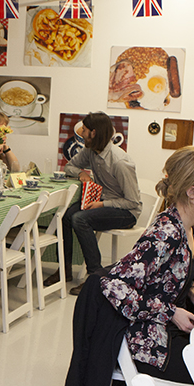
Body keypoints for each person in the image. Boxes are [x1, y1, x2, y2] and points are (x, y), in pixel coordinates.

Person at [32, 146, 194, 386]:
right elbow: (113, 286)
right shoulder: (165, 232)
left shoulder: (189, 225)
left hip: (161, 331)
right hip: (147, 343)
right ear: (192, 192)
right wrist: (170, 312)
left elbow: (167, 275)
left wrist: (191, 293)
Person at [60, 111, 142, 295]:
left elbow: (132, 202)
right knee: (65, 215)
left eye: (85, 130)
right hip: (102, 201)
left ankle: (95, 277)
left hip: (126, 213)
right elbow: (69, 166)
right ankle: (64, 270)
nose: (81, 133)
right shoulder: (91, 151)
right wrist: (82, 173)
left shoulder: (120, 162)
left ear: (94, 133)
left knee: (80, 219)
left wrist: (102, 204)